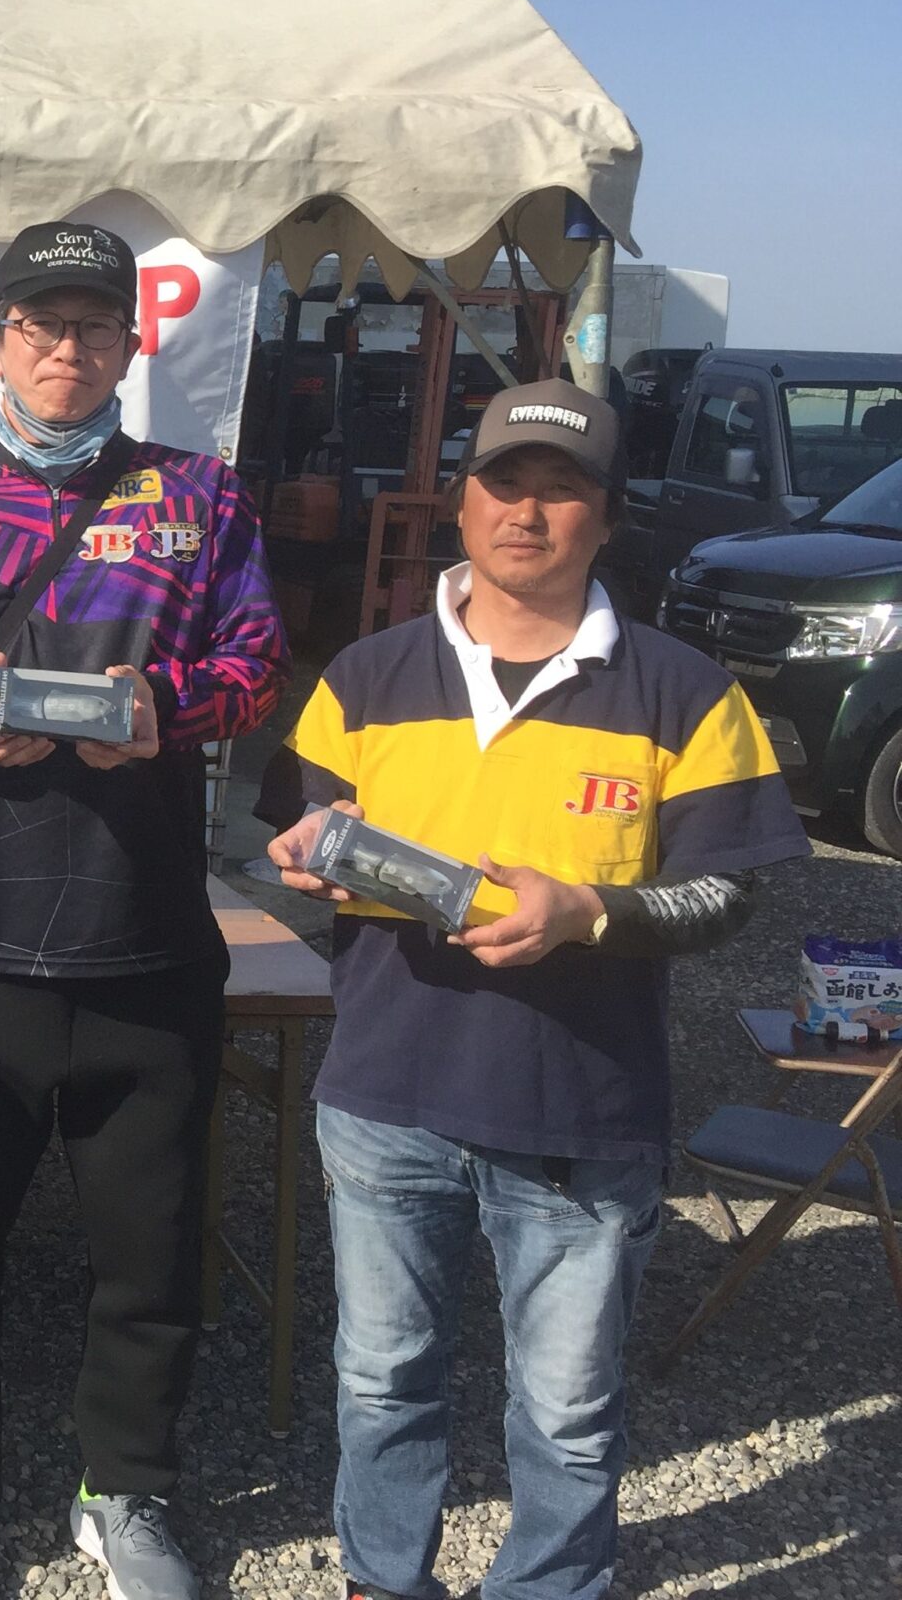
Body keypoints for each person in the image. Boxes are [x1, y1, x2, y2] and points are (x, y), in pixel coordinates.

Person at [259, 380, 808, 1600]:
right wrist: (303, 855)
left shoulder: (684, 692)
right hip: (384, 1094)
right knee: (381, 1378)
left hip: (581, 1109)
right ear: (460, 502)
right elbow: (299, 836)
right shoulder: (363, 676)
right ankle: (379, 1579)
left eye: (562, 491)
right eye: (503, 483)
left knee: (565, 1408)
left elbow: (728, 897)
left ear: (606, 518)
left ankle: (550, 1585)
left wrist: (589, 912)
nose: (527, 512)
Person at [0, 222, 287, 1600]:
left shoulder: (200, 496)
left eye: (94, 323)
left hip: (146, 931)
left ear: (129, 341)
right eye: (40, 325)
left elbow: (257, 663)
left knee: (148, 1250)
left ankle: (128, 1488)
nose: (67, 347)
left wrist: (164, 708)